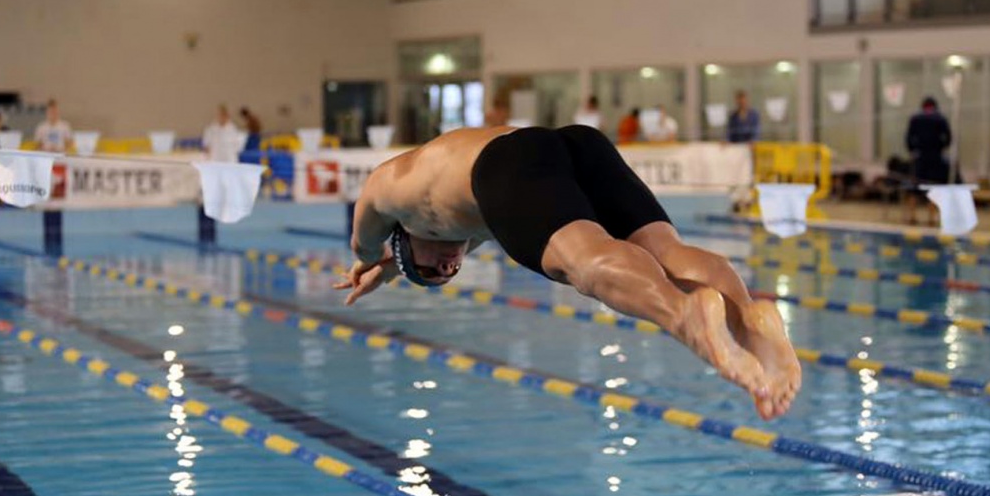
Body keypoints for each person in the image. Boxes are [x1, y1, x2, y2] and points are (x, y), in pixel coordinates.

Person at [334, 125, 801, 420]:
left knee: (584, 263)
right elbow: (480, 221)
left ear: (403, 238)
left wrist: (372, 262)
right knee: (665, 250)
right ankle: (750, 316)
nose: (448, 266)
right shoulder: (460, 214)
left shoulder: (387, 191)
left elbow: (362, 243)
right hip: (574, 143)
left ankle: (685, 315)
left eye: (429, 267)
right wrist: (397, 269)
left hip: (506, 163)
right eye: (448, 273)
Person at [904, 96, 952, 226]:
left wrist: (913, 150)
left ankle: (912, 216)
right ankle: (931, 218)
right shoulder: (940, 118)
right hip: (935, 156)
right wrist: (941, 147)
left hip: (920, 156)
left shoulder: (916, 118)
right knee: (934, 187)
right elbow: (948, 137)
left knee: (914, 187)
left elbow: (908, 137)